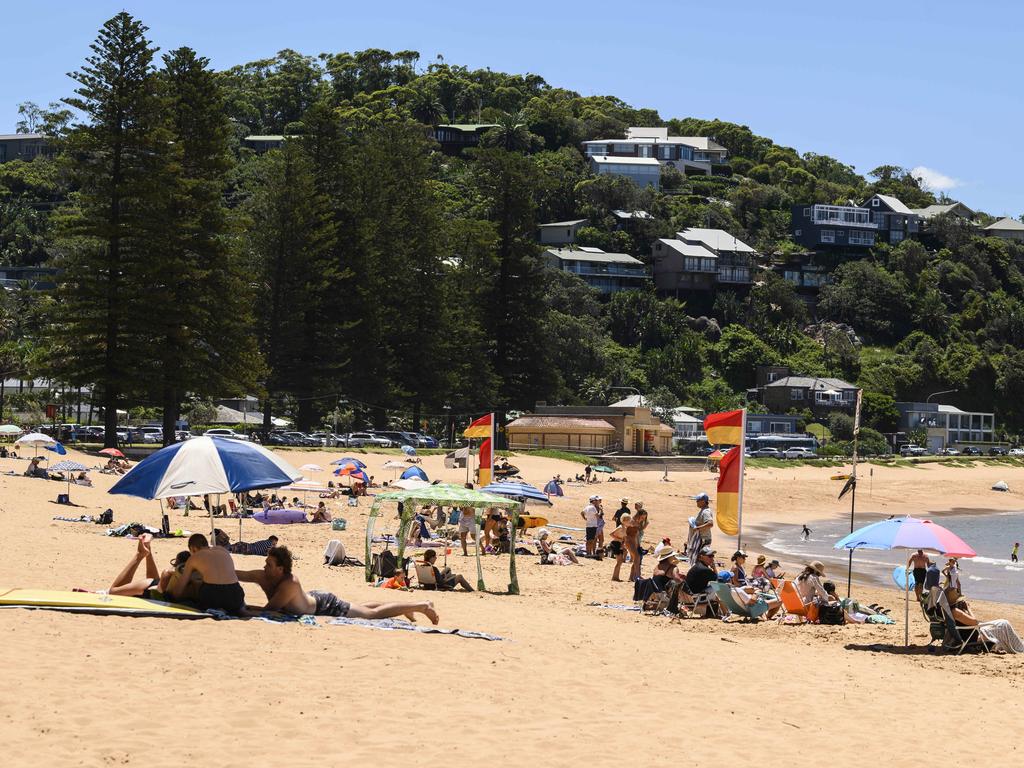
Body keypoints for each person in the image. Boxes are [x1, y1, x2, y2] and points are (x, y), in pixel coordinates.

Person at [237, 545, 439, 623]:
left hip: (325, 606)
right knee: (360, 608)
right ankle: (400, 609)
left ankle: (421, 605)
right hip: (316, 599)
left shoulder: (288, 583)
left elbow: (268, 611)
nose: (264, 567)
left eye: (269, 564)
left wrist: (243, 609)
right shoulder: (264, 576)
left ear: (281, 569)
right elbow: (239, 574)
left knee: (371, 615)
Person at [100, 535, 195, 601]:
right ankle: (144, 553)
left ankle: (141, 554)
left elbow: (160, 589)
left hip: (152, 587)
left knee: (113, 591)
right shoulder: (195, 576)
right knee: (114, 592)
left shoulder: (170, 573)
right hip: (152, 587)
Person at [169, 533, 246, 615]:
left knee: (191, 601)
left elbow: (180, 587)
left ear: (193, 549)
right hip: (236, 596)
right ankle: (236, 610)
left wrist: (172, 598)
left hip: (213, 597)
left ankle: (218, 609)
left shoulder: (194, 558)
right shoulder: (222, 550)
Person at [952, 596, 1024, 653]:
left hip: (973, 631)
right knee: (1004, 624)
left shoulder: (951, 610)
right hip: (976, 634)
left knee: (1002, 624)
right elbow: (975, 622)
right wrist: (968, 609)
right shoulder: (956, 612)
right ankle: (1020, 647)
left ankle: (1017, 644)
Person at [687, 493, 713, 560]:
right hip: (701, 539)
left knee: (702, 558)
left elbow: (710, 523)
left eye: (698, 501)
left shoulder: (705, 512)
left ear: (703, 501)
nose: (696, 502)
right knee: (699, 558)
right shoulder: (703, 510)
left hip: (703, 539)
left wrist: (698, 528)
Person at [610, 514, 631, 581]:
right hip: (615, 544)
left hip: (619, 545)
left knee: (620, 561)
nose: (629, 522)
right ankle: (614, 577)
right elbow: (611, 534)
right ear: (624, 521)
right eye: (628, 521)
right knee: (619, 561)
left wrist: (623, 545)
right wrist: (619, 539)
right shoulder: (620, 527)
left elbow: (624, 538)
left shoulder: (625, 528)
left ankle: (616, 577)